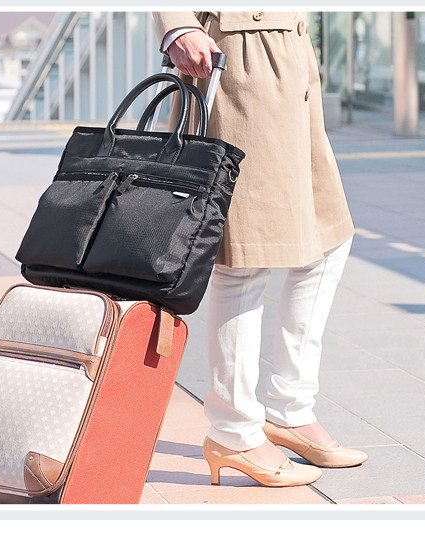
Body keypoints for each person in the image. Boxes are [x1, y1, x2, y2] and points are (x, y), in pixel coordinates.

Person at [153, 11, 367, 487]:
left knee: (329, 238)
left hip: (294, 53)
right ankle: (234, 431)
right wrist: (176, 24)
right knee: (243, 256)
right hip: (241, 58)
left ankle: (290, 410)